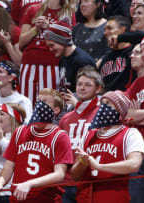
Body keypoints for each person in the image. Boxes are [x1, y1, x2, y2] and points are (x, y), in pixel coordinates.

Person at [0, 88, 73, 202]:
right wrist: (0, 182)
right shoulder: (20, 132)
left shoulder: (60, 136)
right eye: (38, 100)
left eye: (45, 101)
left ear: (56, 109)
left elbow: (59, 174)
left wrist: (30, 184)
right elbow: (9, 166)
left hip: (45, 199)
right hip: (18, 198)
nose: (39, 104)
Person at [71, 90, 144, 203]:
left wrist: (99, 166)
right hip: (85, 197)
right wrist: (82, 163)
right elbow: (75, 176)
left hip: (113, 197)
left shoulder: (130, 133)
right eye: (102, 103)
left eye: (108, 103)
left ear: (119, 109)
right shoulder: (88, 134)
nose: (103, 107)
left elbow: (134, 164)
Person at [18, 0, 75, 107]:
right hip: (28, 64)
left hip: (52, 65)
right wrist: (35, 29)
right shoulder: (33, 9)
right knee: (26, 106)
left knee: (48, 106)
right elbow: (21, 43)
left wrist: (50, 29)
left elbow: (68, 42)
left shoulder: (68, 13)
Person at [59, 66, 103, 203]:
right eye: (79, 84)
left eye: (88, 85)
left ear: (98, 89)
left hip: (91, 178)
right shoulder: (65, 118)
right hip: (67, 180)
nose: (82, 88)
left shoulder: (102, 113)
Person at [126, 33, 144, 203]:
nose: (143, 55)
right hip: (140, 155)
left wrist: (139, 117)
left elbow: (135, 117)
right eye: (141, 51)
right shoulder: (138, 83)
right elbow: (129, 117)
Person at [45, 17, 96, 92]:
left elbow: (88, 93)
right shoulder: (63, 58)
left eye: (52, 45)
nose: (50, 49)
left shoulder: (82, 62)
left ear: (63, 41)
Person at [0, 103, 26, 203]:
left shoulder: (22, 136)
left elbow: (17, 157)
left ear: (12, 118)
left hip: (11, 193)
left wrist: (1, 140)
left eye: (1, 114)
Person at [99, 15, 137, 91]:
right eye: (105, 30)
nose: (105, 33)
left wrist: (120, 37)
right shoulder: (105, 58)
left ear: (122, 29)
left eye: (109, 28)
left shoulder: (134, 52)